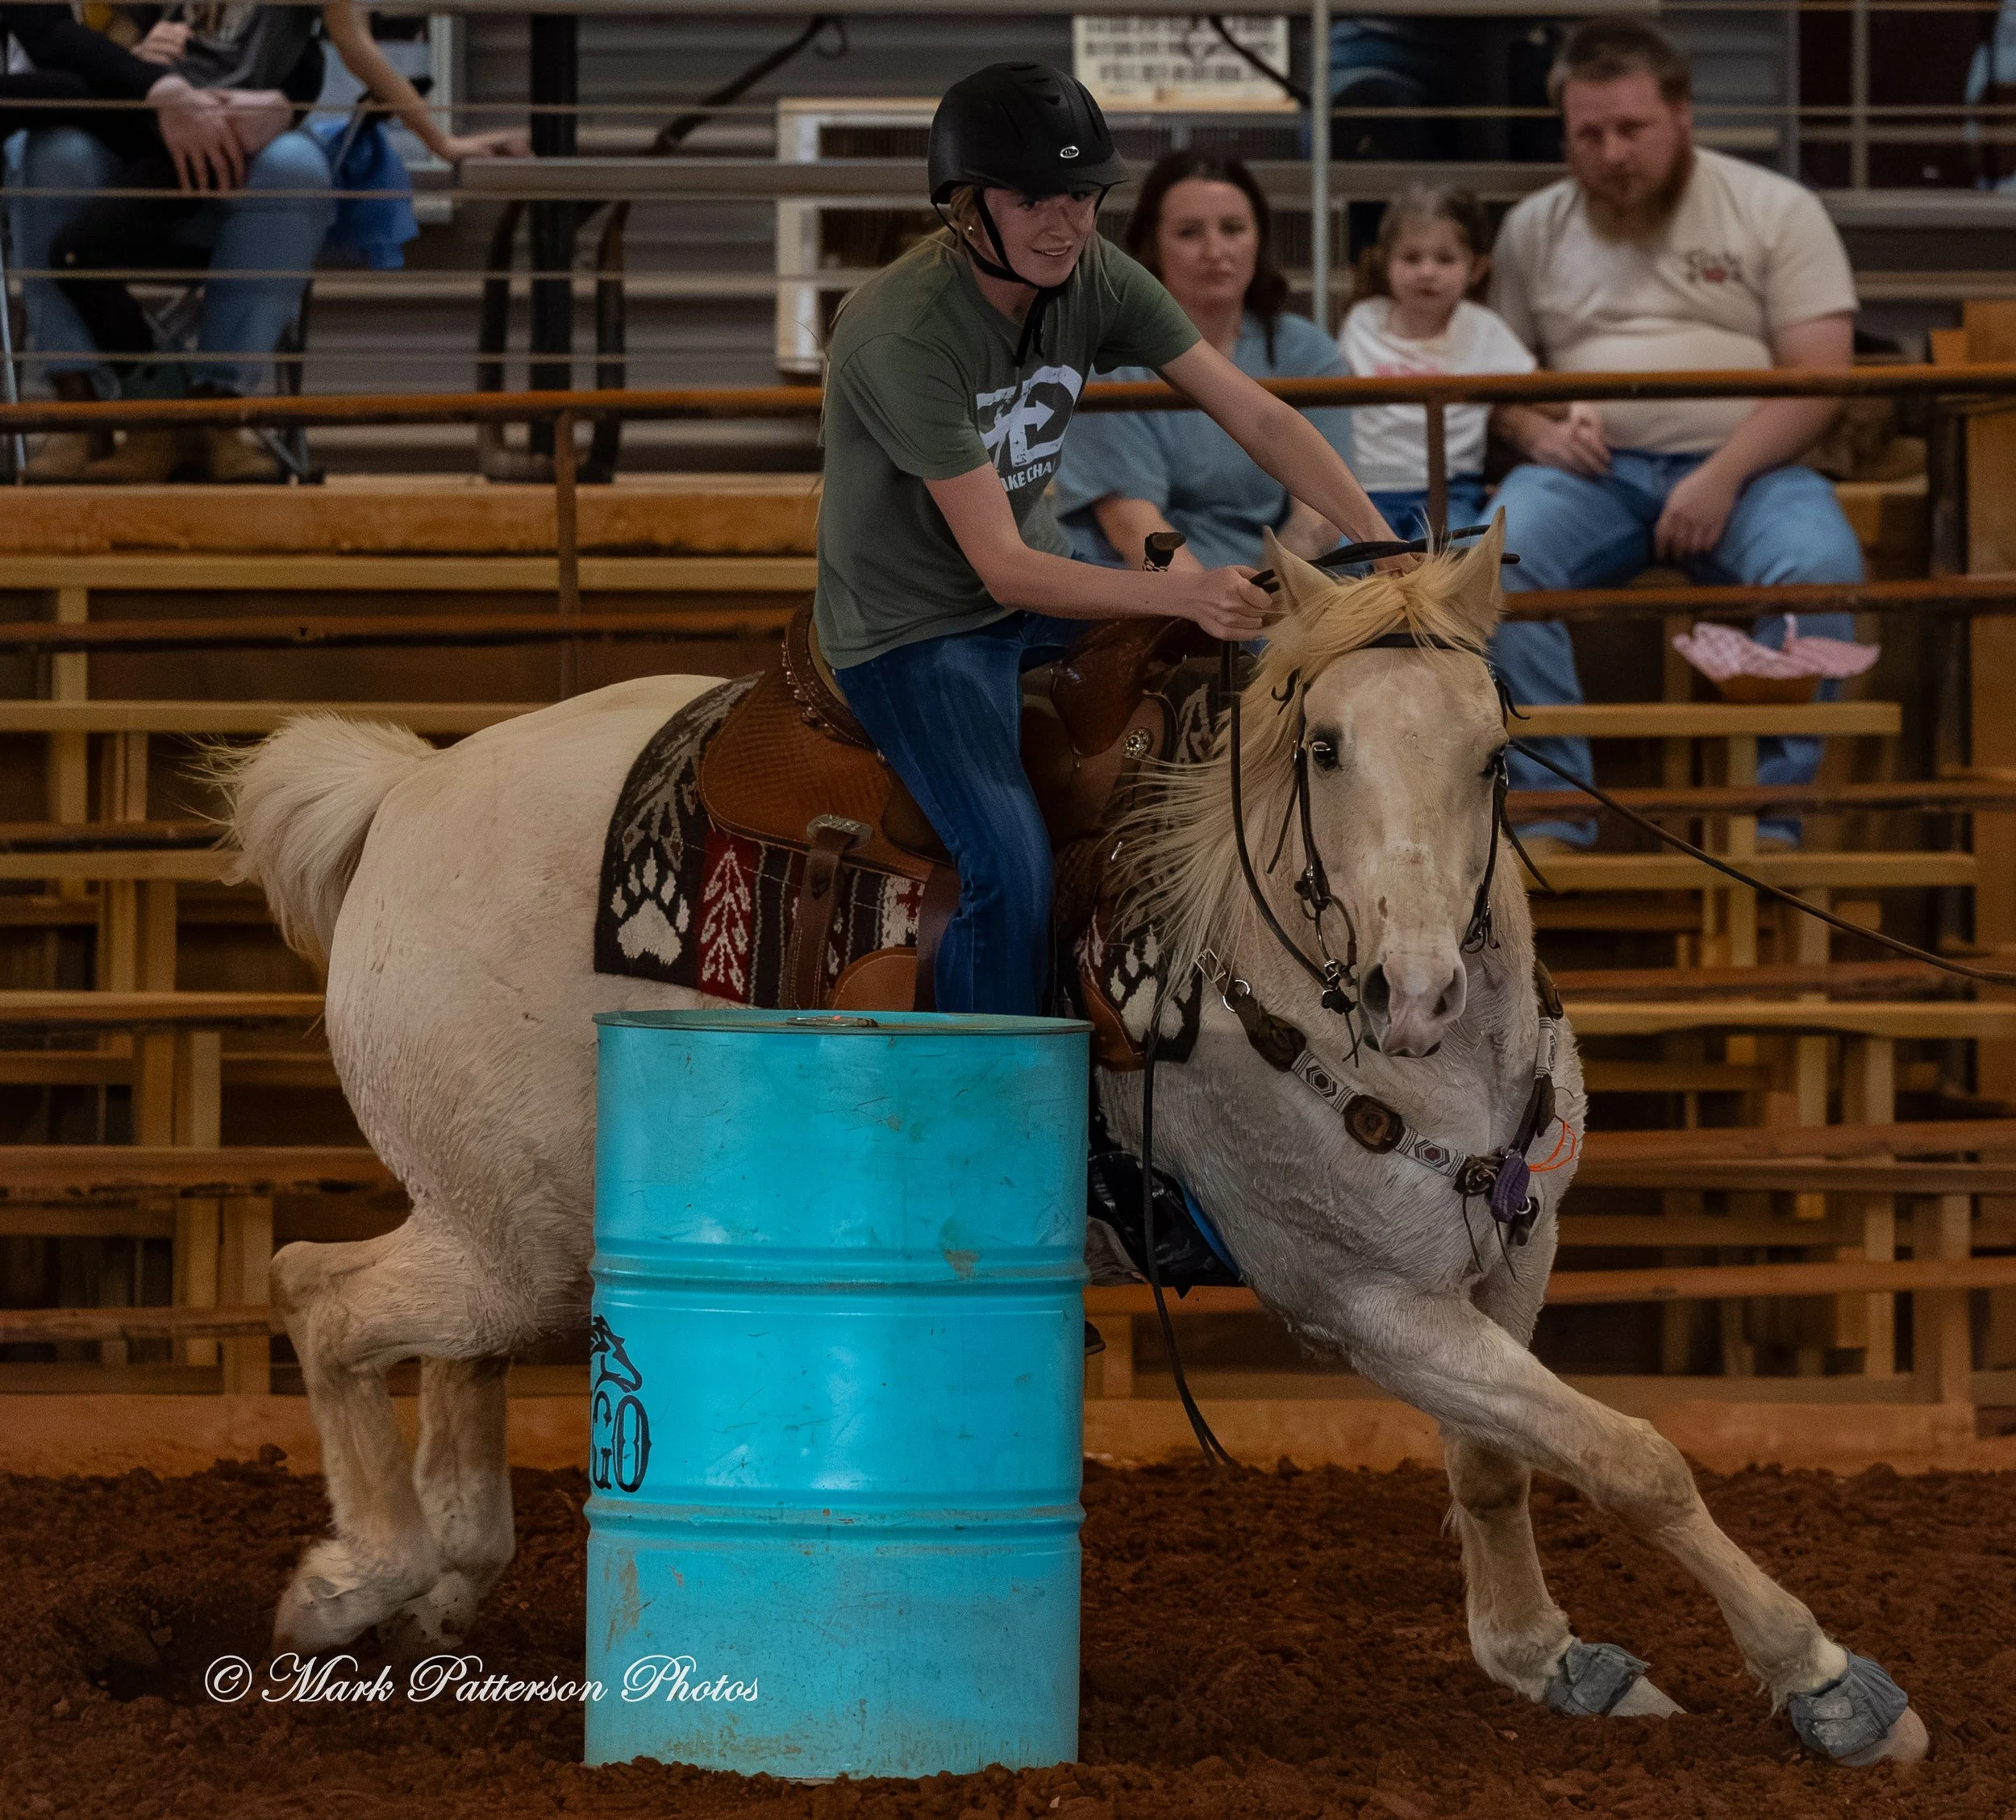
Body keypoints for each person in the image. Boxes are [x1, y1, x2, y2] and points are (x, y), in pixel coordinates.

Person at [817, 60, 1396, 1017]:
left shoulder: (1092, 273)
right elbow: (997, 565)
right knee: (1008, 866)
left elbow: (1259, 420)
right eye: (1035, 198)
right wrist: (1184, 591)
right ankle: (983, 1110)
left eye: (1085, 196)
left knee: (1233, 713)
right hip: (913, 626)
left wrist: (1377, 540)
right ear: (966, 206)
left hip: (1036, 594)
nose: (1068, 223)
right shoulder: (897, 334)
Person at [1486, 17, 1864, 852]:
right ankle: (1553, 811)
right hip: (1589, 474)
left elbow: (1820, 374)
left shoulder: (1775, 208)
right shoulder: (1531, 228)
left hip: (1751, 470)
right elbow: (1496, 382)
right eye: (1590, 134)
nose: (1613, 152)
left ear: (1682, 114)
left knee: (1821, 567)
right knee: (1494, 562)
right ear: (1566, 136)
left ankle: (1771, 821)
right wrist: (1535, 432)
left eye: (1632, 129)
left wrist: (1723, 474)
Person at [10, 2, 528, 483]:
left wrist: (442, 141)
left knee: (296, 166)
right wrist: (137, 66)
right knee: (55, 152)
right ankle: (80, 409)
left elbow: (358, 47)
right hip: (141, 146)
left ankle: (218, 411)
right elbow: (105, 33)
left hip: (243, 154)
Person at [1052, 152, 1355, 573]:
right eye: (1189, 233)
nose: (1215, 251)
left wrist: (1276, 592)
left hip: (1281, 581)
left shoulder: (1308, 352)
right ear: (1152, 245)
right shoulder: (1106, 359)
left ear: (1260, 239)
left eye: (1233, 229)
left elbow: (1320, 513)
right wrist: (1214, 617)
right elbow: (1132, 526)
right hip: (1152, 586)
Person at [1337, 185, 1535, 542]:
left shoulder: (1484, 328)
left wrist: (1576, 411)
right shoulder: (1362, 321)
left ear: (1476, 268)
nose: (1427, 272)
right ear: (1386, 262)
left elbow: (1535, 388)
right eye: (1411, 258)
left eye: (1445, 260)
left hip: (1450, 491)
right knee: (1344, 568)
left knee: (1455, 564)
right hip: (1364, 491)